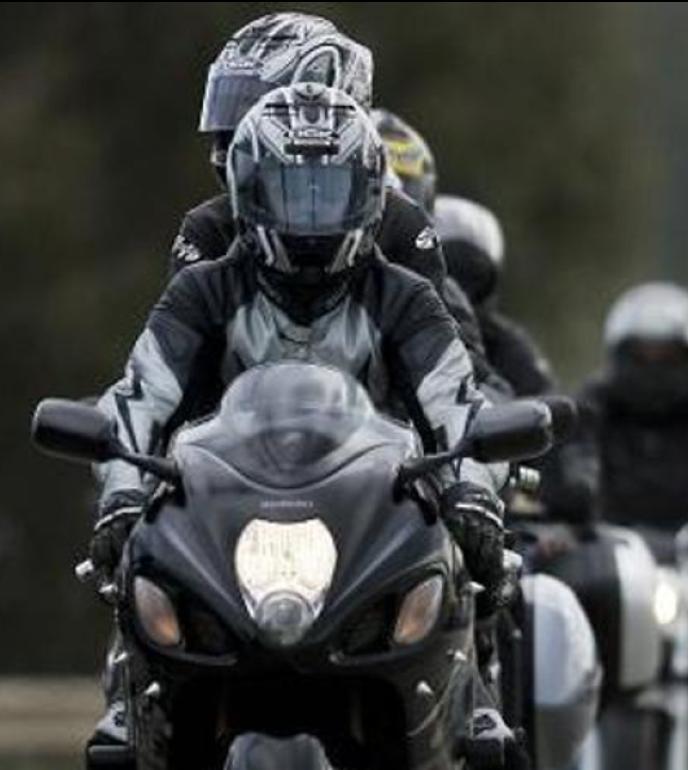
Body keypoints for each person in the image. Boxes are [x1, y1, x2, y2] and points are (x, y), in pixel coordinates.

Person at [91, 83, 514, 752]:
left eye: (331, 191)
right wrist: (120, 495)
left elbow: (456, 400)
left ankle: (468, 710)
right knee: (138, 604)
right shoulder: (203, 290)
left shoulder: (403, 296)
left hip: (377, 516)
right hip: (225, 515)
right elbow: (138, 398)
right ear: (249, 192)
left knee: (483, 707)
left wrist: (473, 490)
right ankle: (133, 705)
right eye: (292, 190)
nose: (311, 214)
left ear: (372, 194)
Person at [170, 13, 511, 397]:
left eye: (249, 115)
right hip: (236, 450)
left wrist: (481, 426)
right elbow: (173, 370)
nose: (231, 141)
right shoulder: (207, 228)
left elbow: (458, 380)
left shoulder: (402, 226)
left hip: (379, 451)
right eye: (229, 119)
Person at [552, 282, 688, 531]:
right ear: (620, 355)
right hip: (604, 543)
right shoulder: (596, 400)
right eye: (641, 357)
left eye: (668, 358)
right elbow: (574, 454)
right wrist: (574, 494)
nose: (654, 369)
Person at [433, 194, 556, 397]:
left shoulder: (507, 347)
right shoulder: (387, 314)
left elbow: (544, 409)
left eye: (473, 277)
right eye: (446, 272)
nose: (456, 292)